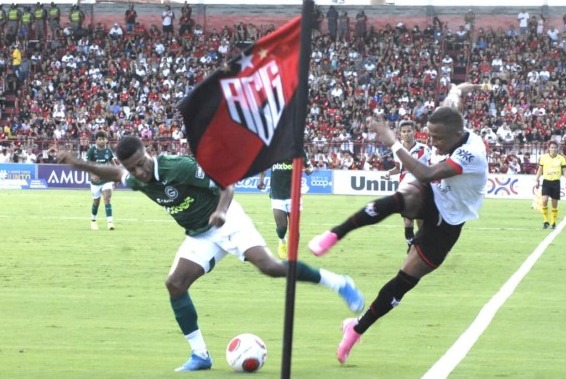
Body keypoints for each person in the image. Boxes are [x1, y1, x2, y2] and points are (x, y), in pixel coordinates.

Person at [58, 136, 365, 372]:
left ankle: (338, 282)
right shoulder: (137, 179)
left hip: (227, 218)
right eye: (133, 167)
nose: (140, 170)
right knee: (175, 284)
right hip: (200, 233)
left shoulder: (176, 166)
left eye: (141, 162)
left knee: (269, 267)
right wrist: (78, 163)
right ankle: (200, 355)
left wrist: (219, 213)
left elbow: (226, 187)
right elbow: (111, 173)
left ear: (147, 152)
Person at [308, 82, 489, 365]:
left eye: (438, 139)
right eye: (430, 137)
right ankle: (335, 234)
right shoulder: (451, 119)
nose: (433, 143)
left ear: (456, 134)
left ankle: (355, 329)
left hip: (449, 221)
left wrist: (392, 142)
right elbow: (455, 93)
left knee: (404, 281)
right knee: (401, 198)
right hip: (431, 195)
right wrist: (465, 87)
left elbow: (428, 172)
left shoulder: (471, 153)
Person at [382, 119, 431, 252]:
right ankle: (411, 247)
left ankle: (422, 247)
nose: (407, 133)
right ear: (400, 134)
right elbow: (399, 168)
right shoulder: (397, 149)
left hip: (421, 189)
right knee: (407, 221)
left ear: (414, 132)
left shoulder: (424, 149)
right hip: (404, 189)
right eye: (404, 131)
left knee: (420, 222)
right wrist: (389, 173)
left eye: (409, 131)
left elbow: (431, 167)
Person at [257, 153, 314, 259]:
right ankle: (282, 240)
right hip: (277, 195)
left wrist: (309, 170)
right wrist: (260, 179)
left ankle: (292, 258)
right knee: (281, 228)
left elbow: (309, 167)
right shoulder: (273, 149)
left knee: (294, 230)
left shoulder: (298, 150)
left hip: (294, 196)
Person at [535, 141, 566, 229]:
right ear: (549, 148)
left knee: (554, 204)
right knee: (544, 201)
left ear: (557, 148)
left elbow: (565, 170)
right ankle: (546, 221)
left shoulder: (561, 158)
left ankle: (553, 222)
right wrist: (536, 180)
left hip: (556, 182)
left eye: (555, 147)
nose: (553, 149)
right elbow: (540, 169)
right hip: (546, 182)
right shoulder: (544, 158)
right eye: (552, 147)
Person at [86, 130, 117, 231]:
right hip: (95, 182)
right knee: (96, 201)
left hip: (106, 179)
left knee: (107, 198)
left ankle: (110, 222)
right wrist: (92, 174)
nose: (102, 141)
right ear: (96, 140)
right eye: (100, 139)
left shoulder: (108, 151)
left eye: (104, 139)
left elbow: (113, 163)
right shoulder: (91, 151)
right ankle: (93, 220)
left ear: (106, 140)